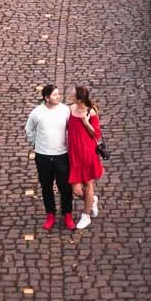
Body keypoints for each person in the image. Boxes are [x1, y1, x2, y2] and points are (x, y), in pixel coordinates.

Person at [25, 83, 74, 231]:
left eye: (58, 94)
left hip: (61, 155)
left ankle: (67, 214)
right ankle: (50, 214)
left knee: (65, 187)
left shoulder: (65, 110)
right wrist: (36, 143)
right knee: (46, 186)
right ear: (46, 98)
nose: (57, 96)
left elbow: (72, 128)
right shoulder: (37, 112)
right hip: (43, 156)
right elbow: (29, 129)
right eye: (54, 94)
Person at [66, 85, 103, 228]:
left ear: (80, 98)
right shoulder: (69, 109)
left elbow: (96, 133)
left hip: (87, 153)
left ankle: (86, 215)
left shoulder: (91, 112)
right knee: (76, 190)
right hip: (73, 153)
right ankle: (92, 200)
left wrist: (86, 122)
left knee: (88, 184)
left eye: (73, 94)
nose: (70, 95)